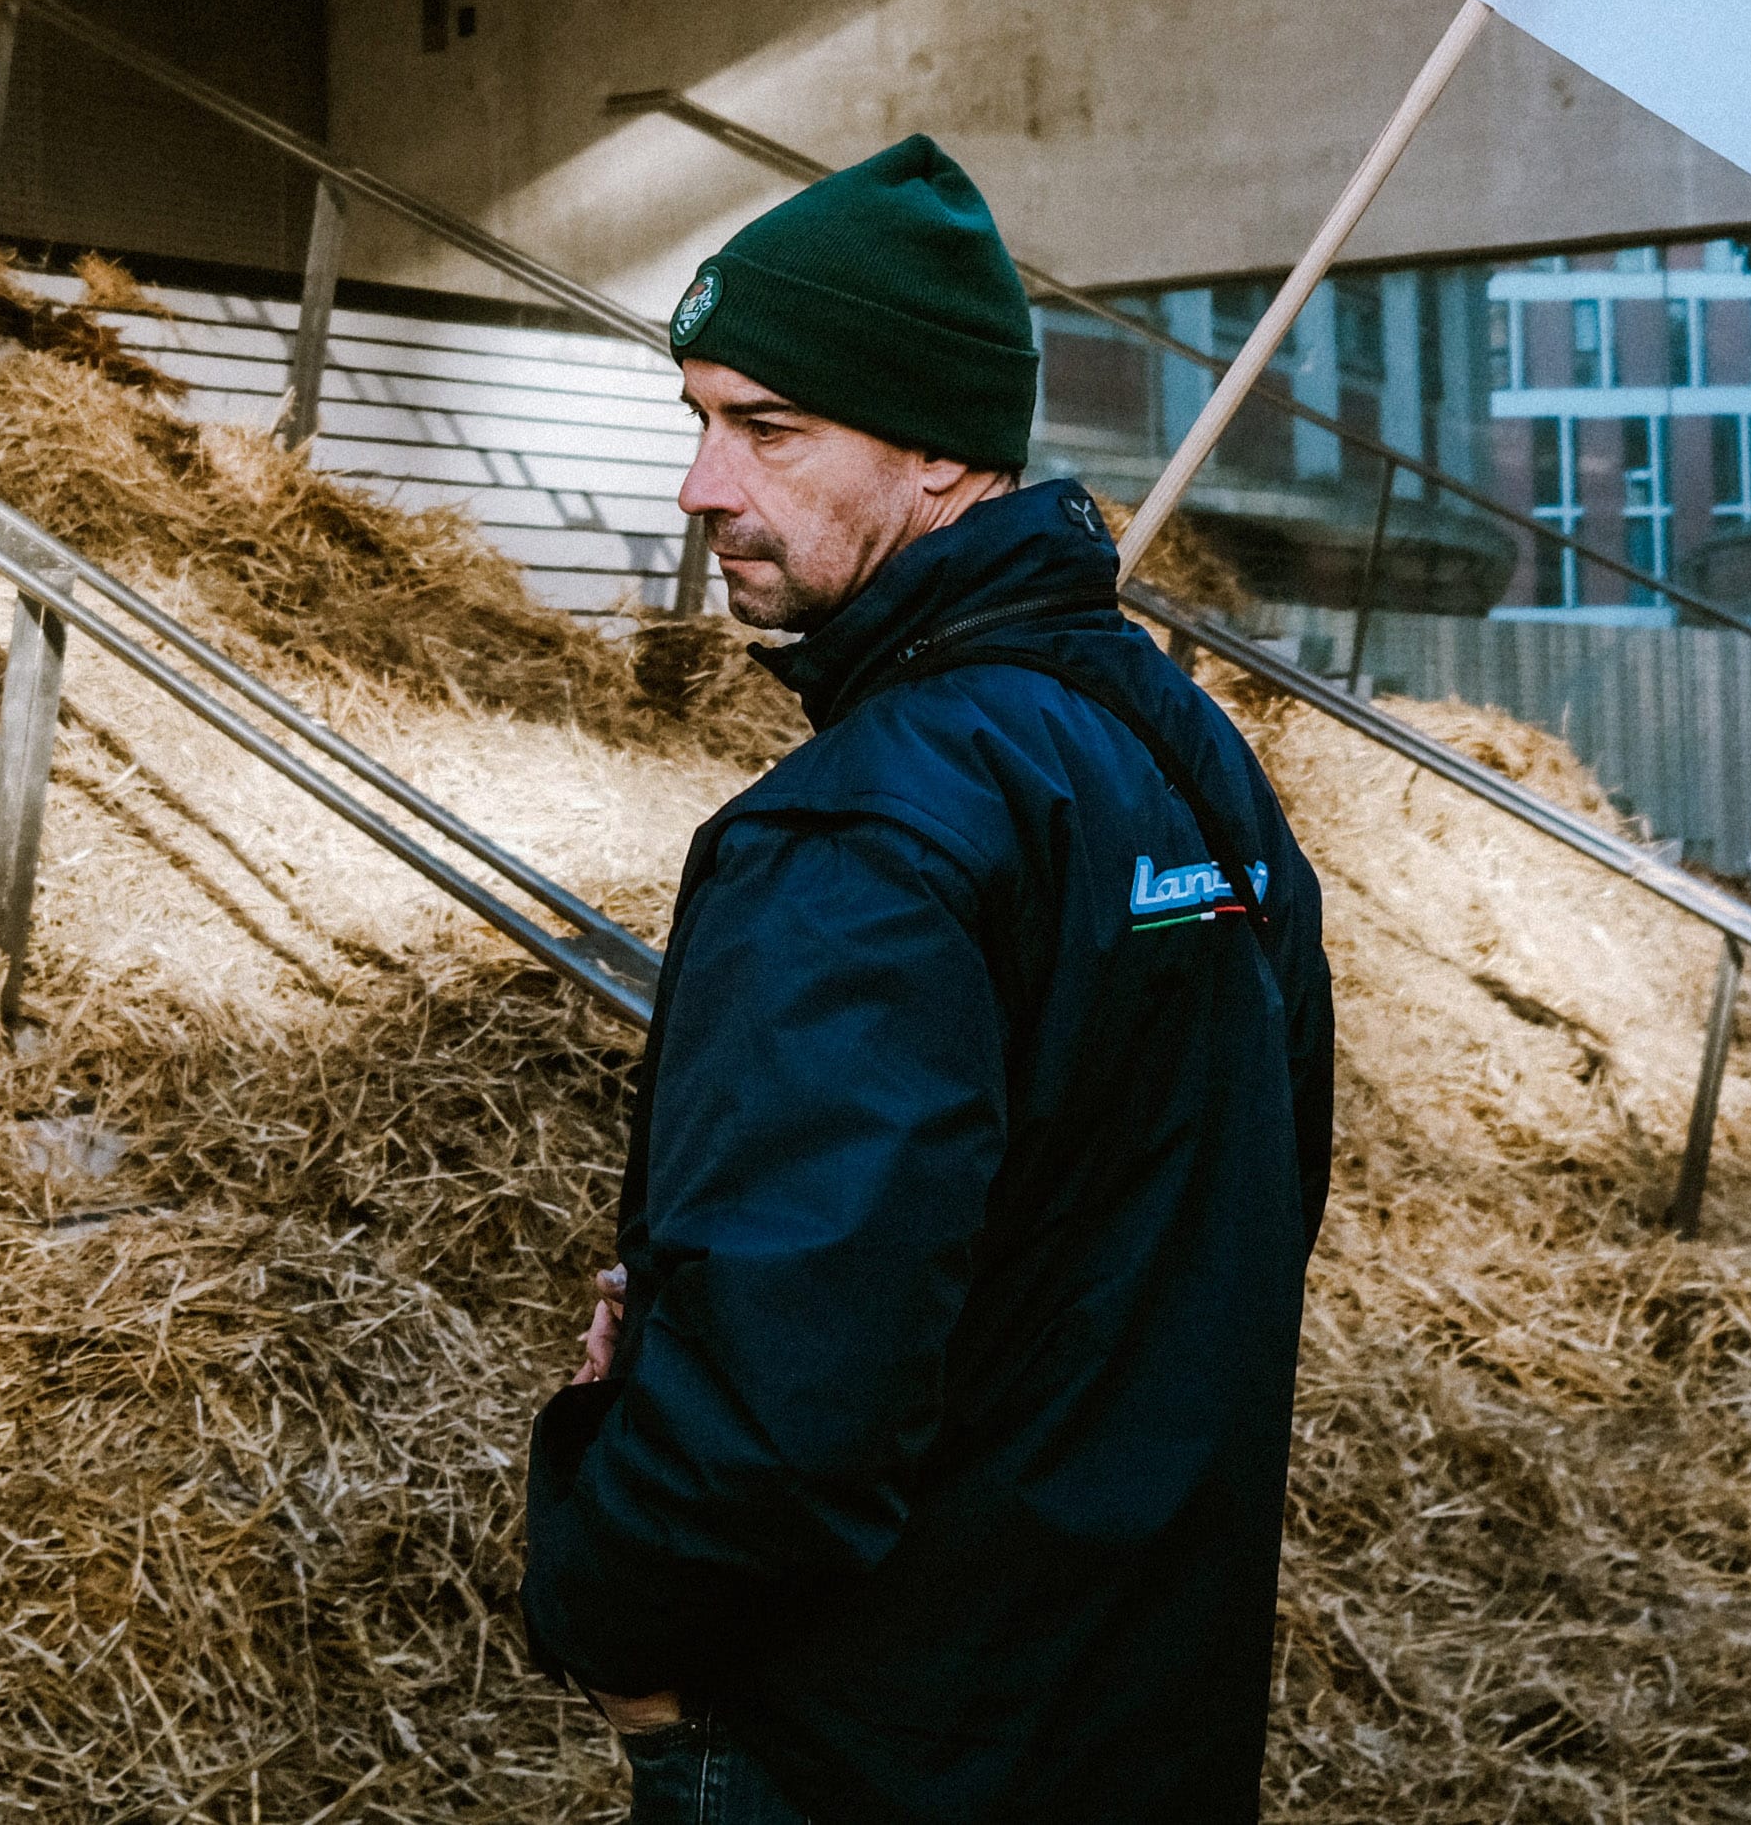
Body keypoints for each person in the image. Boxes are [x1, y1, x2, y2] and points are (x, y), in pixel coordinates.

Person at [518, 135, 1336, 1825]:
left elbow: (782, 1410)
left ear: (945, 456)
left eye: (769, 429)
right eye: (699, 423)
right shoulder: (1188, 762)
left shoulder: (866, 830)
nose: (702, 489)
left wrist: (605, 1595)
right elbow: (1226, 1219)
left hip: (874, 1751)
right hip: (1142, 1725)